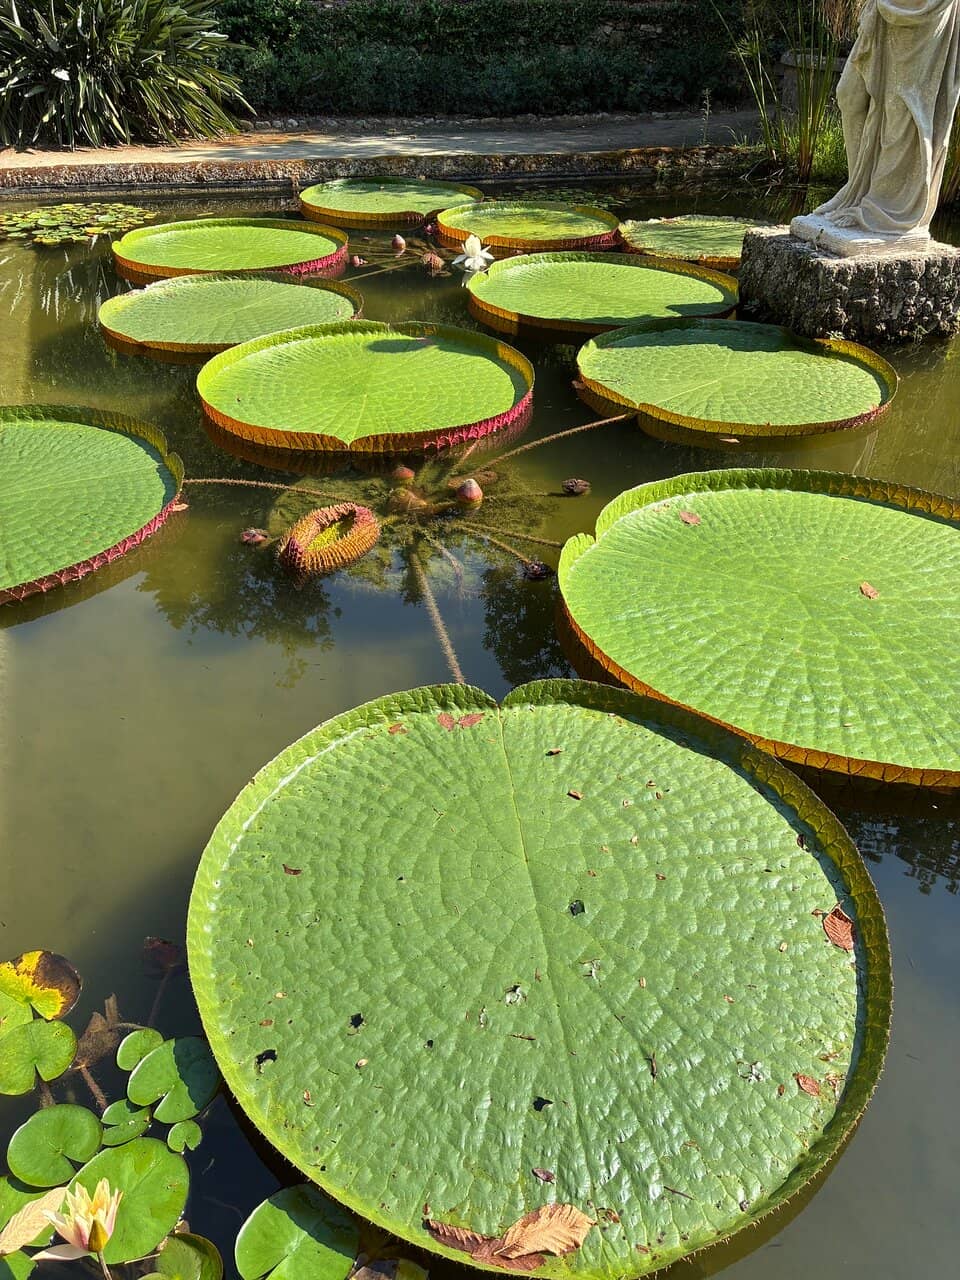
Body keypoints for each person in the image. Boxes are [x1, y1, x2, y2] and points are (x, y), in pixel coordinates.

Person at [792, 0, 960, 251]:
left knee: (903, 110)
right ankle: (856, 190)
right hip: (885, 7)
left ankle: (880, 208)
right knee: (849, 95)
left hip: (923, 11)